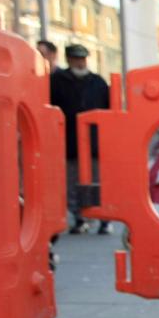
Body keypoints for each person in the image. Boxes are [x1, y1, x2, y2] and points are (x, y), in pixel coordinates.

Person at [50, 43, 111, 234]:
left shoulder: (98, 82)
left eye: (82, 59)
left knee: (96, 180)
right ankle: (79, 217)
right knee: (73, 181)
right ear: (68, 59)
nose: (80, 62)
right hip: (69, 141)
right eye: (76, 59)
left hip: (94, 141)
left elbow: (109, 111)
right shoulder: (57, 81)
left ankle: (101, 217)